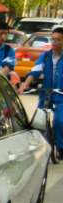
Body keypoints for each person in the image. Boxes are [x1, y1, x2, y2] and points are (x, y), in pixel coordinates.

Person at [20, 26, 63, 158]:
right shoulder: (45, 57)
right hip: (46, 95)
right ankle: (37, 148)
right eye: (53, 39)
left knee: (59, 121)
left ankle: (61, 148)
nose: (54, 42)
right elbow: (35, 71)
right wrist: (24, 85)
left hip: (61, 96)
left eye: (58, 40)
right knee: (39, 121)